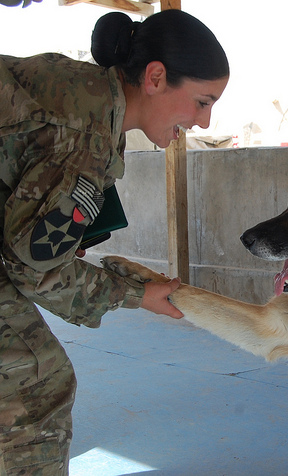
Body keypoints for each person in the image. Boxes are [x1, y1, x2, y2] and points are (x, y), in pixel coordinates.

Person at [0, 9, 229, 475]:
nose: (205, 122)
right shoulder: (83, 131)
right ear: (156, 77)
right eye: (202, 102)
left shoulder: (85, 93)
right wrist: (134, 294)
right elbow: (35, 268)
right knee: (35, 386)